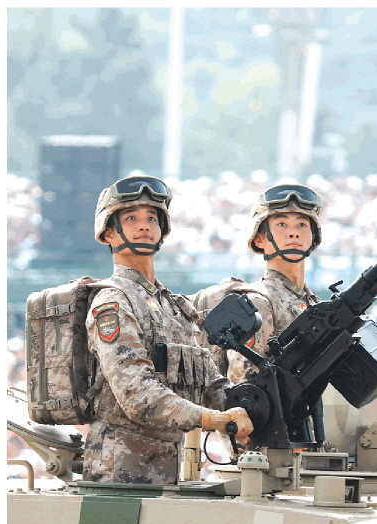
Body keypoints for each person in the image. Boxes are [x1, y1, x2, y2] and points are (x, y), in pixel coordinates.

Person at [84, 175, 252, 484]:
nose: (144, 226)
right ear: (108, 232)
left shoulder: (173, 307)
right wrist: (209, 418)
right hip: (120, 476)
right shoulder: (113, 302)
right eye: (131, 218)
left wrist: (248, 405)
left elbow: (208, 380)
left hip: (169, 473)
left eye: (152, 218)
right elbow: (137, 393)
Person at [194, 183, 322, 383]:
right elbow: (244, 385)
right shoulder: (258, 302)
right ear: (259, 239)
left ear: (313, 237)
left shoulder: (313, 303)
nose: (293, 233)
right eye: (282, 224)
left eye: (302, 225)